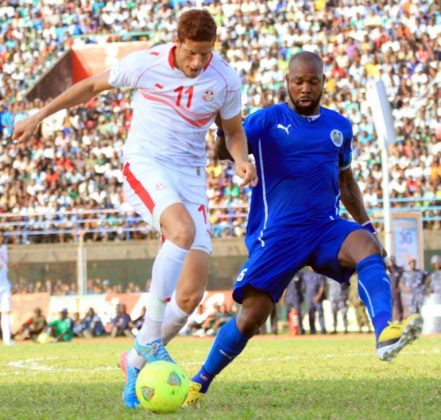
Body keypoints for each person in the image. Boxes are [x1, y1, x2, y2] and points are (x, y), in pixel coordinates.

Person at [12, 9, 256, 409]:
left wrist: (242, 160)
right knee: (181, 231)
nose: (198, 62)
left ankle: (135, 358)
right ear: (178, 42)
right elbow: (91, 86)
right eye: (192, 53)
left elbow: (232, 131)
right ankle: (152, 339)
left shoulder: (225, 78)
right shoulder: (146, 63)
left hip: (191, 177)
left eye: (205, 54)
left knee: (191, 294)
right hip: (146, 165)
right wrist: (39, 115)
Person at [184, 51, 423, 407]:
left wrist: (368, 227)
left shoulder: (339, 127)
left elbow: (347, 183)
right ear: (287, 83)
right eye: (298, 82)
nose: (305, 88)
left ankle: (385, 332)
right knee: (252, 317)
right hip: (278, 234)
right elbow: (224, 151)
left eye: (312, 81)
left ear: (324, 82)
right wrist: (223, 124)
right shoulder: (266, 120)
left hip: (325, 227)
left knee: (366, 247)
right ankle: (200, 381)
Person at [303, 269, 327, 334]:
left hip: (317, 298)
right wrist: (305, 296)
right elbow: (303, 287)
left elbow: (322, 286)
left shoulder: (319, 274)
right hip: (309, 298)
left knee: (320, 313)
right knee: (311, 314)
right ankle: (312, 330)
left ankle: (323, 329)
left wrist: (318, 296)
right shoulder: (305, 275)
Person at [0, 241, 12, 346]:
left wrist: (11, 264)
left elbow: (7, 262)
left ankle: (7, 341)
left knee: (6, 313)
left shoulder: (4, 248)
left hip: (4, 285)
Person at [389, 256, 404, 321]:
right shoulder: (386, 270)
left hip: (396, 293)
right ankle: (389, 322)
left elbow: (403, 279)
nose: (392, 261)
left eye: (393, 260)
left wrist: (399, 287)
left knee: (398, 307)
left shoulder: (399, 270)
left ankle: (400, 321)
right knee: (389, 308)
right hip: (388, 293)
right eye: (390, 260)